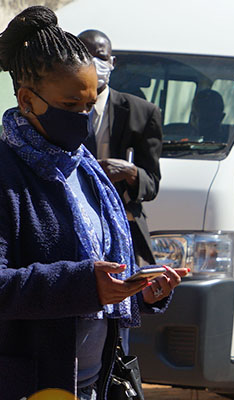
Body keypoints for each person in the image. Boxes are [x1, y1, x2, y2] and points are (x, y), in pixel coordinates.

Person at [0, 7, 186, 400]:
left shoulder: (87, 168)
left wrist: (142, 283)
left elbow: (102, 263)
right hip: (29, 392)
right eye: (70, 105)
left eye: (91, 104)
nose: (85, 117)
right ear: (26, 101)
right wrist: (83, 283)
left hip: (86, 384)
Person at [78, 29, 162, 267]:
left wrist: (131, 172)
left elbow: (152, 183)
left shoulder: (142, 113)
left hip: (122, 224)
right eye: (85, 56)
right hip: (73, 224)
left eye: (101, 57)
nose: (94, 64)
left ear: (112, 62)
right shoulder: (59, 108)